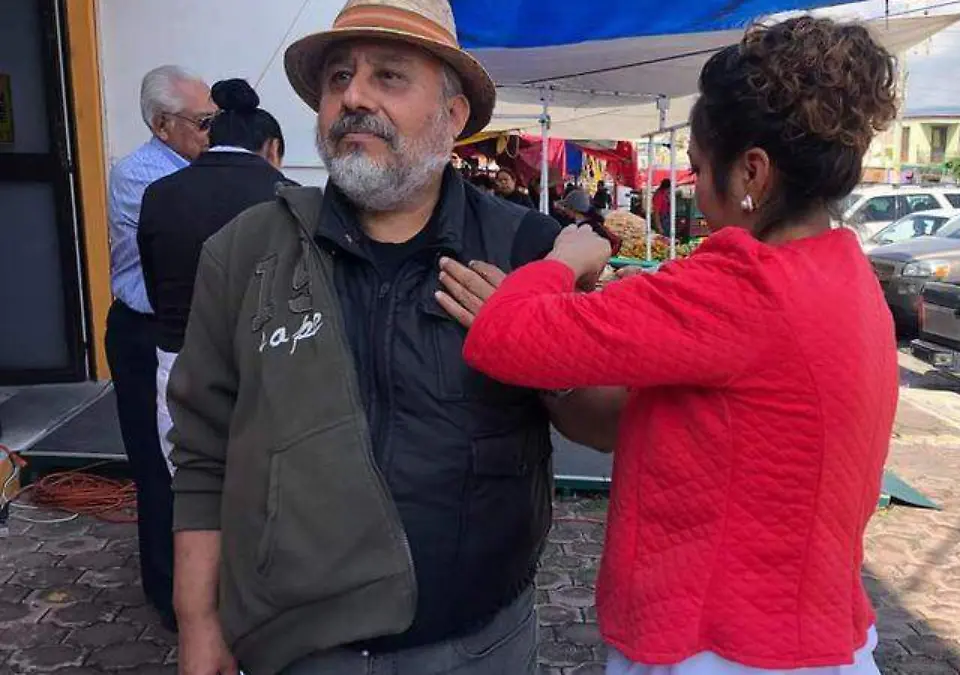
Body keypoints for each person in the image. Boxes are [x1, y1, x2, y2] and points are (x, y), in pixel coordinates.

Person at [445, 16, 899, 675]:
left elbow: (505, 338)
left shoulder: (744, 284)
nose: (696, 189)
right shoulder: (845, 273)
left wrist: (562, 261)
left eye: (699, 169)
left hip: (722, 646)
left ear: (752, 173)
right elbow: (639, 414)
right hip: (811, 635)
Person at [168, 1, 605, 674]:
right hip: (300, 651)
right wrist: (198, 621)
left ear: (452, 114)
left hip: (477, 645)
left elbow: (604, 426)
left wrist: (538, 343)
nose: (354, 97)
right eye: (339, 77)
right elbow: (203, 451)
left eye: (389, 77)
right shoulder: (246, 252)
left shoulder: (526, 248)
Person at [105, 64, 213, 632]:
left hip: (194, 332)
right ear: (162, 124)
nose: (212, 132)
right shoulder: (139, 176)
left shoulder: (202, 171)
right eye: (202, 122)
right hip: (146, 333)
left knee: (201, 462)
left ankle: (204, 582)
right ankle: (168, 592)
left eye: (215, 119)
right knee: (156, 461)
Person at [138, 78, 291, 478]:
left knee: (193, 487)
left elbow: (154, 288)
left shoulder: (159, 195)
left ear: (210, 139)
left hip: (181, 363)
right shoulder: (290, 197)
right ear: (272, 148)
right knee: (264, 492)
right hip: (265, 366)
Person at [557, 188, 621, 255]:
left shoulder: (591, 227)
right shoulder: (589, 223)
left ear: (573, 208)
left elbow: (614, 242)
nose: (565, 210)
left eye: (566, 207)